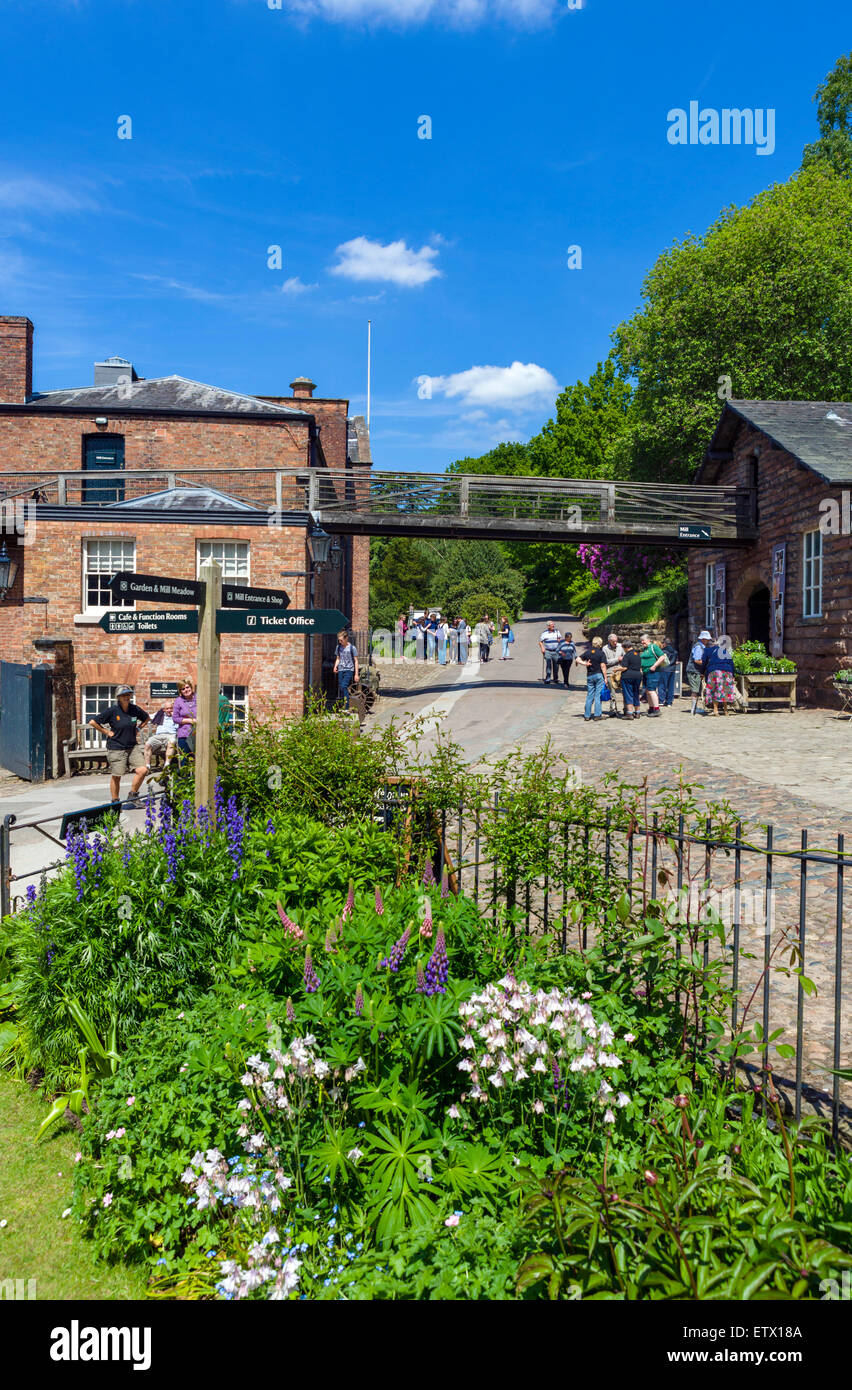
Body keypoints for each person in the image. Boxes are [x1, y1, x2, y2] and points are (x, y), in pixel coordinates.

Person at [88, 684, 150, 805]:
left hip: (132, 746)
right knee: (117, 776)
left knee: (143, 770)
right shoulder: (112, 711)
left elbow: (146, 718)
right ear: (118, 697)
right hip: (116, 748)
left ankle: (133, 795)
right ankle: (115, 801)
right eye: (123, 695)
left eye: (128, 694)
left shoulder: (134, 709)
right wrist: (106, 731)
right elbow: (93, 722)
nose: (126, 697)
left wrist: (138, 728)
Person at [578, 635, 609, 720]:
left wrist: (585, 664)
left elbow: (577, 659)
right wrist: (605, 677)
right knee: (597, 696)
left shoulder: (587, 652)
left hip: (590, 675)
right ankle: (597, 715)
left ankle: (587, 715)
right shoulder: (601, 653)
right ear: (600, 644)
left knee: (589, 695)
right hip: (599, 675)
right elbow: (603, 666)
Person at [145, 698, 178, 774]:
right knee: (147, 744)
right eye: (167, 709)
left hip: (171, 735)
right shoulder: (159, 714)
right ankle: (147, 767)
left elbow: (178, 727)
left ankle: (166, 766)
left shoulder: (176, 716)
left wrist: (175, 718)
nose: (169, 710)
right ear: (164, 709)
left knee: (172, 742)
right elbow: (147, 717)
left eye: (171, 708)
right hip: (158, 736)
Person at [703, 640, 736, 715]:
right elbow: (731, 663)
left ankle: (715, 710)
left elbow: (704, 662)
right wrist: (733, 675)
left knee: (715, 690)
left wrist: (703, 673)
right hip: (727, 672)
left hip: (715, 672)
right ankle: (725, 710)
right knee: (725, 691)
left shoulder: (708, 650)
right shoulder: (724, 651)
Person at [639, 633, 667, 716]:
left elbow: (662, 656)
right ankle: (651, 708)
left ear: (648, 640)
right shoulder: (645, 648)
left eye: (643, 641)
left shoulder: (653, 647)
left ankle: (656, 709)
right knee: (648, 691)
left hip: (653, 672)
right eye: (641, 641)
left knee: (651, 690)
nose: (642, 642)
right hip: (646, 672)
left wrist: (654, 666)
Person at [686, 629, 711, 715]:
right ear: (703, 639)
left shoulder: (701, 647)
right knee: (695, 690)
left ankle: (695, 708)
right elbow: (697, 660)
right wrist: (707, 664)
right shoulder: (699, 647)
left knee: (696, 690)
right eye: (707, 639)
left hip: (696, 671)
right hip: (693, 671)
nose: (708, 641)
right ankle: (693, 710)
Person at [333, 629, 359, 708]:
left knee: (344, 686)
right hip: (341, 669)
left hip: (349, 669)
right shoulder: (338, 647)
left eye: (341, 640)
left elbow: (356, 661)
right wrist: (335, 667)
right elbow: (338, 658)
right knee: (341, 688)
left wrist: (356, 674)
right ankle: (342, 705)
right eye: (339, 640)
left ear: (346, 638)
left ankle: (347, 707)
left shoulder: (352, 648)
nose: (340, 642)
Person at [617, 641, 643, 719]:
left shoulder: (627, 655)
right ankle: (637, 712)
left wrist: (617, 669)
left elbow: (624, 667)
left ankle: (629, 713)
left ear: (626, 647)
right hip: (638, 676)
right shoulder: (637, 654)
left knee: (628, 694)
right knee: (636, 693)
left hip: (628, 676)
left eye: (623, 648)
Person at [172, 679, 198, 759]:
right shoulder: (178, 701)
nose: (186, 690)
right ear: (180, 691)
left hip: (198, 734)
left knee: (198, 759)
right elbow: (175, 718)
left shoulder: (199, 698)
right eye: (183, 689)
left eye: (187, 687)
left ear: (191, 687)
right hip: (184, 734)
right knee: (185, 760)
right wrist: (190, 721)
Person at [601, 632, 625, 718]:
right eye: (613, 641)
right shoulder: (605, 648)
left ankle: (626, 709)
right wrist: (617, 659)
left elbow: (625, 657)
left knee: (624, 691)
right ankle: (613, 709)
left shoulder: (620, 646)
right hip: (610, 672)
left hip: (620, 671)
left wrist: (622, 662)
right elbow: (606, 661)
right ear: (609, 641)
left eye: (616, 641)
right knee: (612, 692)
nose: (615, 643)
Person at [658, 634, 679, 708]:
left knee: (662, 685)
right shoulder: (675, 651)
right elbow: (676, 661)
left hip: (664, 669)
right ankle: (669, 701)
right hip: (672, 670)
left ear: (665, 643)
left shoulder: (663, 651)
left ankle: (661, 700)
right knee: (671, 686)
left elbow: (661, 661)